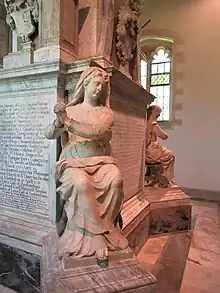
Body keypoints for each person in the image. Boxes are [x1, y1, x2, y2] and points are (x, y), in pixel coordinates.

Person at [44, 67, 128, 258]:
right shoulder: (71, 109)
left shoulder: (106, 113)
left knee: (116, 180)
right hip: (73, 162)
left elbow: (97, 132)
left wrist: (67, 120)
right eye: (95, 83)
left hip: (101, 162)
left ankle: (108, 231)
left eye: (102, 85)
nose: (99, 88)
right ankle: (83, 235)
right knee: (81, 184)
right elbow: (49, 134)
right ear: (85, 84)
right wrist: (58, 123)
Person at [146, 105, 175, 182]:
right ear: (154, 113)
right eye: (158, 114)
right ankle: (167, 179)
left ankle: (161, 176)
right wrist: (166, 135)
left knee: (166, 153)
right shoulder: (153, 124)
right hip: (152, 152)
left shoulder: (145, 123)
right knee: (170, 155)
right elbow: (163, 136)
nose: (158, 116)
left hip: (148, 151)